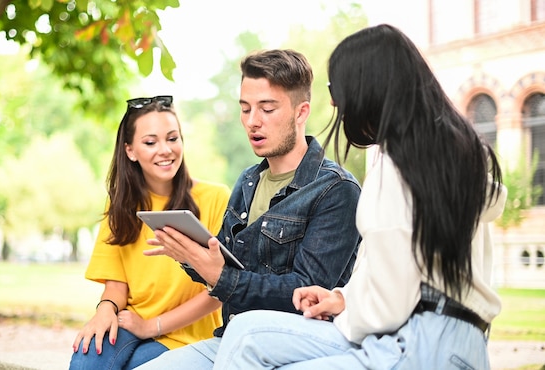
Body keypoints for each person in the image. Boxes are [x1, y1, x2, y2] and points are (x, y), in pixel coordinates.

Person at [208, 24, 508, 370]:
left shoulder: (397, 166)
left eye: (337, 87)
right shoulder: (454, 154)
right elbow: (403, 272)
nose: (335, 101)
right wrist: (340, 298)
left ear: (369, 88)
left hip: (417, 342)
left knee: (248, 338)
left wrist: (340, 317)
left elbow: (388, 305)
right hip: (463, 344)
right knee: (247, 333)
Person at [135, 49, 362, 370]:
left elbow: (304, 293)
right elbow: (225, 262)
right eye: (245, 109)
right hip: (230, 335)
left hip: (296, 341)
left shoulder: (336, 189)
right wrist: (189, 255)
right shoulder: (248, 180)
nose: (252, 121)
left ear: (301, 112)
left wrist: (221, 276)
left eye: (267, 108)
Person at [69, 95, 230, 370]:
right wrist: (105, 309)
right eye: (150, 142)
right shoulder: (120, 204)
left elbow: (220, 291)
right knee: (86, 360)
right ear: (130, 150)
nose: (165, 150)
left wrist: (151, 326)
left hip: (188, 334)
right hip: (130, 322)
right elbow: (117, 284)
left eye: (173, 138)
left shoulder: (216, 198)